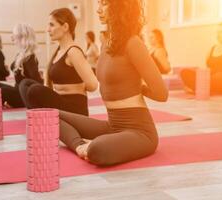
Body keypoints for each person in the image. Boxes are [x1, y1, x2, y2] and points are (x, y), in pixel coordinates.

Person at [58, 0, 168, 166]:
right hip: (112, 125)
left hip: (140, 132)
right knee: (50, 115)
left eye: (105, 4)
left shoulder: (133, 43)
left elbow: (162, 94)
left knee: (97, 149)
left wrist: (139, 88)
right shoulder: (105, 44)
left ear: (120, 8)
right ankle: (80, 147)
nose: (98, 10)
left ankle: (91, 148)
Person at [19, 8, 98, 116]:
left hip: (74, 107)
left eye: (51, 25)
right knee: (25, 84)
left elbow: (93, 85)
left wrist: (74, 87)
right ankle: (38, 116)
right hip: (60, 101)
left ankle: (39, 116)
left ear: (65, 27)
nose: (48, 29)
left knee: (34, 90)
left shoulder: (73, 51)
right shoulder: (58, 51)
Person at [0, 24, 43, 108]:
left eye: (14, 35)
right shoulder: (21, 54)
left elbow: (36, 80)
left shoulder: (30, 57)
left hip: (23, 95)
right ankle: (4, 104)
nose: (12, 38)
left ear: (22, 37)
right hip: (17, 90)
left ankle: (3, 105)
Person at [181, 22, 222, 95]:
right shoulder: (212, 49)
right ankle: (204, 87)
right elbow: (206, 68)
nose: (218, 35)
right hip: (210, 78)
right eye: (217, 32)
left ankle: (201, 87)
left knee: (219, 77)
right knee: (185, 72)